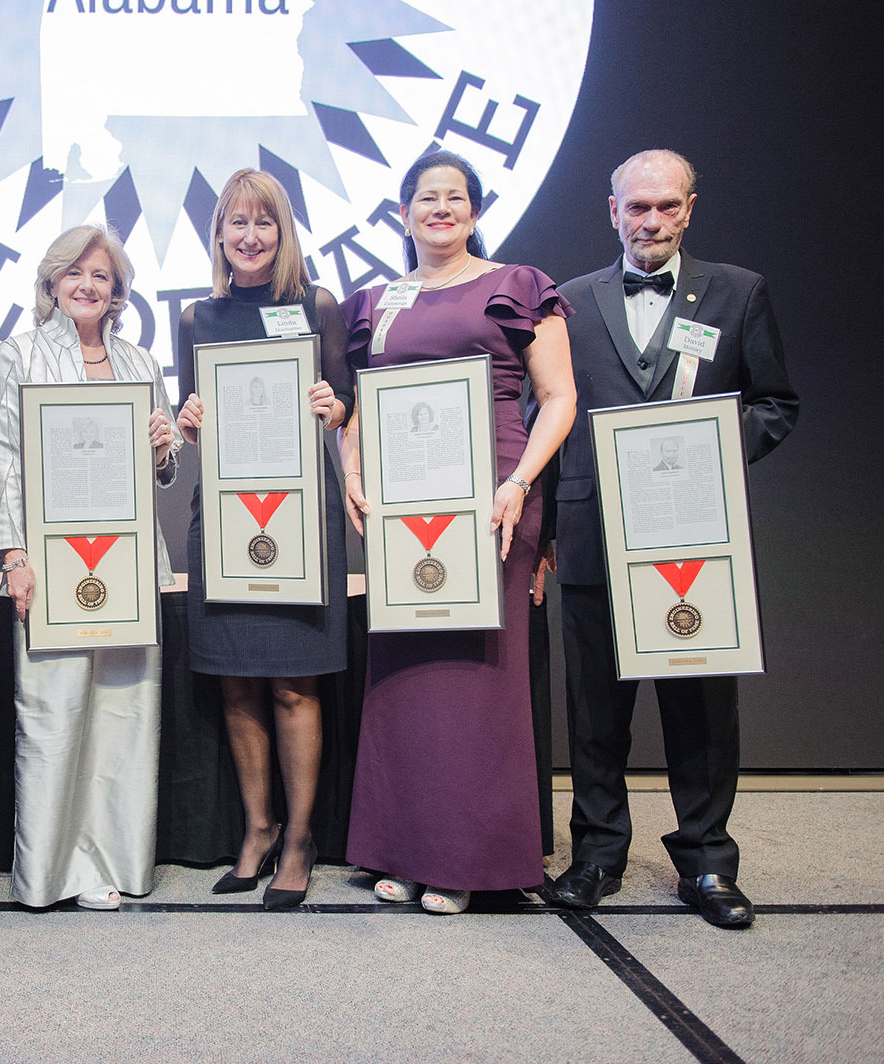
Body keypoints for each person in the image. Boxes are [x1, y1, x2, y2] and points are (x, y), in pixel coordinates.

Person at [541, 149, 797, 928]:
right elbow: (544, 416)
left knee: (702, 710)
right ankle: (596, 857)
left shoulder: (738, 291)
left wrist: (713, 448)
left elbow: (776, 405)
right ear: (610, 210)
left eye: (665, 207)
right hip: (592, 534)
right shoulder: (569, 302)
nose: (649, 221)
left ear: (689, 209)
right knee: (595, 713)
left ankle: (709, 865)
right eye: (635, 207)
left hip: (693, 536)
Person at [339, 149, 577, 914]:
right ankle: (406, 849)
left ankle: (467, 860)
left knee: (479, 675)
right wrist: (350, 468)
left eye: (456, 198)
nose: (440, 209)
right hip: (404, 501)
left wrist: (518, 484)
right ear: (402, 211)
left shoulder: (518, 284)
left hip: (496, 495)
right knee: (406, 672)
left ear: (474, 211)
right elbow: (357, 404)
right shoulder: (375, 300)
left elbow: (560, 397)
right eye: (426, 198)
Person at [0, 224, 180, 910]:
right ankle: (52, 874)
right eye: (74, 273)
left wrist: (162, 445)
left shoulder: (139, 362)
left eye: (100, 276)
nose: (87, 285)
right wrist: (13, 555)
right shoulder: (18, 353)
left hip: (125, 565)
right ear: (50, 282)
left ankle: (118, 861)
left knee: (124, 715)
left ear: (118, 290)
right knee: (54, 713)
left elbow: (161, 472)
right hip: (51, 562)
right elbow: (2, 458)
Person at [174, 169, 353, 910]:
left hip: (298, 518)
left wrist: (331, 404)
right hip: (223, 516)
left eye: (264, 223)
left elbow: (345, 404)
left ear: (284, 233)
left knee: (292, 683)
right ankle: (257, 827)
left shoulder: (317, 306)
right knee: (236, 681)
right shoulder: (193, 318)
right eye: (235, 223)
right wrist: (187, 420)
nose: (249, 236)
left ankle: (302, 839)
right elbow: (195, 415)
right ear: (217, 234)